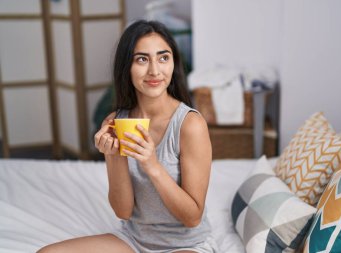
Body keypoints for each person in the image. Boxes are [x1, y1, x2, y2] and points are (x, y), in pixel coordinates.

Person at [38, 20, 217, 253]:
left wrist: (152, 166)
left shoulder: (190, 125)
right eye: (142, 59)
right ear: (127, 67)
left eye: (163, 58)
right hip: (133, 240)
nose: (154, 70)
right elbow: (123, 212)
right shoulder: (116, 122)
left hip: (186, 245)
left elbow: (192, 218)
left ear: (173, 64)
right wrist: (112, 157)